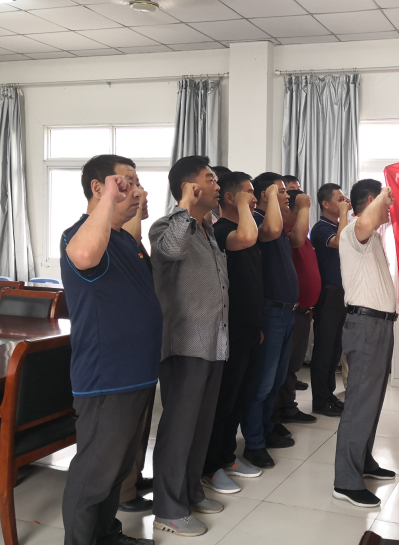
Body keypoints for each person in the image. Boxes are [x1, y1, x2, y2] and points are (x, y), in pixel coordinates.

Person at [60, 154, 161, 545]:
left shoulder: (121, 239)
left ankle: (106, 534)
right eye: (125, 182)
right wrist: (109, 199)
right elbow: (85, 256)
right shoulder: (78, 236)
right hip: (107, 377)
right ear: (97, 188)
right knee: (94, 474)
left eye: (135, 182)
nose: (134, 190)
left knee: (118, 470)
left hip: (136, 374)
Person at [150, 156, 230, 538]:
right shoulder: (166, 226)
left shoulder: (208, 230)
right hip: (184, 343)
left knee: (200, 426)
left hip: (214, 342)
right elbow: (170, 251)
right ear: (190, 186)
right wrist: (184, 206)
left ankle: (191, 491)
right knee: (179, 429)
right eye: (210, 178)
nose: (218, 185)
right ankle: (168, 508)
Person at [333, 179, 398, 508]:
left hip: (380, 326)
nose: (391, 208)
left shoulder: (371, 237)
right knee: (360, 402)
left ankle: (363, 460)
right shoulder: (354, 232)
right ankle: (345, 481)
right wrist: (386, 193)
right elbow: (366, 221)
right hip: (366, 326)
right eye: (387, 202)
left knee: (372, 401)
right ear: (372, 200)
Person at [201, 171, 265, 495]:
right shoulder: (223, 230)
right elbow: (249, 236)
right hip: (230, 329)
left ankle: (227, 457)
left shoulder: (243, 227)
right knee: (224, 401)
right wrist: (242, 205)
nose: (254, 198)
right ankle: (210, 466)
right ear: (230, 197)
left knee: (240, 397)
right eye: (248, 192)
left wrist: (258, 326)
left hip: (249, 328)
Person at [240, 172, 299, 470]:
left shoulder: (276, 220)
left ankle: (266, 429)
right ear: (265, 195)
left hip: (286, 313)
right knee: (261, 384)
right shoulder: (258, 220)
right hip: (270, 313)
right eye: (281, 191)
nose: (287, 195)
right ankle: (254, 443)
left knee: (275, 381)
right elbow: (272, 231)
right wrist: (273, 198)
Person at [118, 182, 155, 513]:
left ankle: (135, 476)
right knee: (127, 426)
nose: (143, 198)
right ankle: (124, 491)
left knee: (142, 421)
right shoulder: (122, 242)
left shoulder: (136, 244)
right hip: (126, 353)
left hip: (144, 350)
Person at [273, 189, 320, 426]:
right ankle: (279, 412)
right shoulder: (287, 233)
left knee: (293, 366)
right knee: (284, 367)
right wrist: (304, 206)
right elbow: (298, 238)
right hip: (291, 311)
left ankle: (288, 406)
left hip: (304, 311)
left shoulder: (300, 234)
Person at [310, 183, 351, 417]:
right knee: (324, 350)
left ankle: (329, 395)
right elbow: (340, 242)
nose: (344, 202)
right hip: (329, 293)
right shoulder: (321, 228)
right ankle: (320, 400)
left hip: (341, 293)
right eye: (340, 199)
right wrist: (344, 214)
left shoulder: (338, 225)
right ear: (326, 204)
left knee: (335, 349)